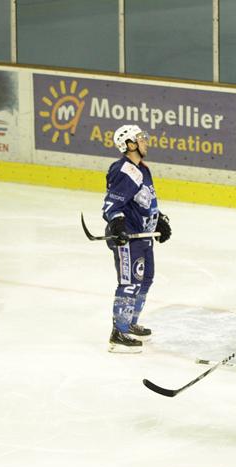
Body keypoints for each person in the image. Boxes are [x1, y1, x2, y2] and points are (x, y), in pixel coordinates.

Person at [102, 124, 171, 353]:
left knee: (146, 278)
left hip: (144, 236)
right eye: (140, 138)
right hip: (129, 238)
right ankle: (118, 332)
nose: (145, 141)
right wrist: (118, 223)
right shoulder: (124, 170)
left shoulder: (142, 168)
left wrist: (158, 219)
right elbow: (111, 204)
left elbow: (146, 200)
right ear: (129, 144)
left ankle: (129, 322)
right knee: (130, 283)